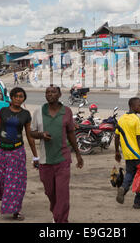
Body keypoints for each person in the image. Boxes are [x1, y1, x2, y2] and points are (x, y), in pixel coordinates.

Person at [0, 87, 38, 221]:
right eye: (16, 96)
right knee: (3, 181)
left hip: (17, 153)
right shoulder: (3, 111)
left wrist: (36, 156)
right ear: (11, 98)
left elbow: (29, 136)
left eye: (21, 97)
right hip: (0, 152)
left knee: (16, 182)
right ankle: (8, 204)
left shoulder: (26, 114)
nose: (18, 99)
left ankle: (15, 211)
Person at [30, 85, 84, 223]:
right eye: (47, 92)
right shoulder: (39, 111)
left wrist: (78, 154)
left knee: (62, 193)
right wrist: (41, 134)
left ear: (59, 95)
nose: (50, 94)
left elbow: (71, 133)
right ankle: (57, 213)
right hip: (45, 161)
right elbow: (31, 132)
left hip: (63, 159)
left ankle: (61, 220)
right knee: (50, 192)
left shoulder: (66, 111)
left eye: (53, 92)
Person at [114, 97, 140, 209]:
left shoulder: (122, 119)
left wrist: (117, 152)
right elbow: (139, 139)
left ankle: (123, 188)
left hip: (128, 155)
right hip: (138, 155)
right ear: (133, 106)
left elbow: (117, 137)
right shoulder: (136, 119)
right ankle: (138, 202)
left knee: (129, 174)